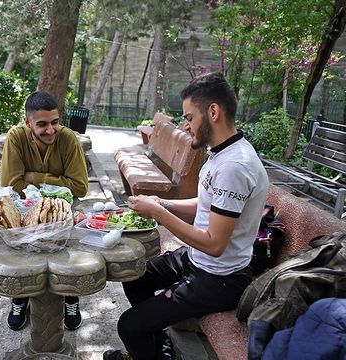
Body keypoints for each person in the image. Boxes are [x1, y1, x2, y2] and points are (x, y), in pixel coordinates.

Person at [103, 72, 269, 360]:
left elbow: (214, 244)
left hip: (221, 278)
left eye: (190, 117)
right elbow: (205, 205)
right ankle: (158, 350)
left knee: (128, 326)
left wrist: (157, 213)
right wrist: (164, 204)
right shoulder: (221, 154)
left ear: (213, 112)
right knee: (134, 275)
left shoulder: (235, 167)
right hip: (198, 260)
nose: (185, 125)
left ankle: (150, 348)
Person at [0, 90, 89, 331]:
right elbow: (11, 185)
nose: (50, 130)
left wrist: (34, 177)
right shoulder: (16, 138)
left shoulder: (68, 138)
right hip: (26, 214)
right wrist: (58, 181)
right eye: (42, 124)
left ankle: (70, 296)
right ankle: (20, 296)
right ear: (27, 122)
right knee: (25, 255)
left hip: (64, 215)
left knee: (64, 258)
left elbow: (80, 188)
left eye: (55, 122)